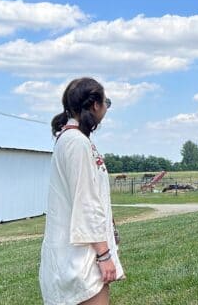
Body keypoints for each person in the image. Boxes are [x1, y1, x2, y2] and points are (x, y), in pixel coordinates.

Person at [40, 77, 125, 305]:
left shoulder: (72, 139)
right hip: (81, 258)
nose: (107, 107)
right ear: (95, 105)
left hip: (77, 254)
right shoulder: (76, 142)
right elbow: (86, 202)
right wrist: (104, 255)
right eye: (106, 101)